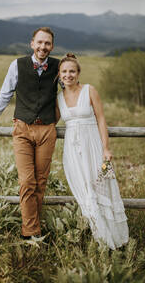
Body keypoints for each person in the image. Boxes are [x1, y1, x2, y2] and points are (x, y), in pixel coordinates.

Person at [0, 27, 60, 240]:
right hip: (22, 129)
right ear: (32, 43)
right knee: (26, 182)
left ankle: (35, 228)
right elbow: (5, 94)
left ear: (52, 46)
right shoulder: (17, 65)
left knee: (41, 182)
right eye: (39, 42)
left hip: (47, 131)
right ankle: (30, 233)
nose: (43, 47)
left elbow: (70, 91)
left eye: (47, 43)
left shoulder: (58, 66)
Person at [55, 53, 129, 250]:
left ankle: (115, 239)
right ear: (59, 75)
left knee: (100, 187)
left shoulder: (89, 90)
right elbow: (50, 122)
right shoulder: (58, 98)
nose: (68, 75)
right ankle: (100, 238)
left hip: (93, 146)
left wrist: (106, 148)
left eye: (72, 71)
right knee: (84, 191)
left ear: (78, 73)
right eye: (64, 71)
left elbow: (101, 119)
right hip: (72, 151)